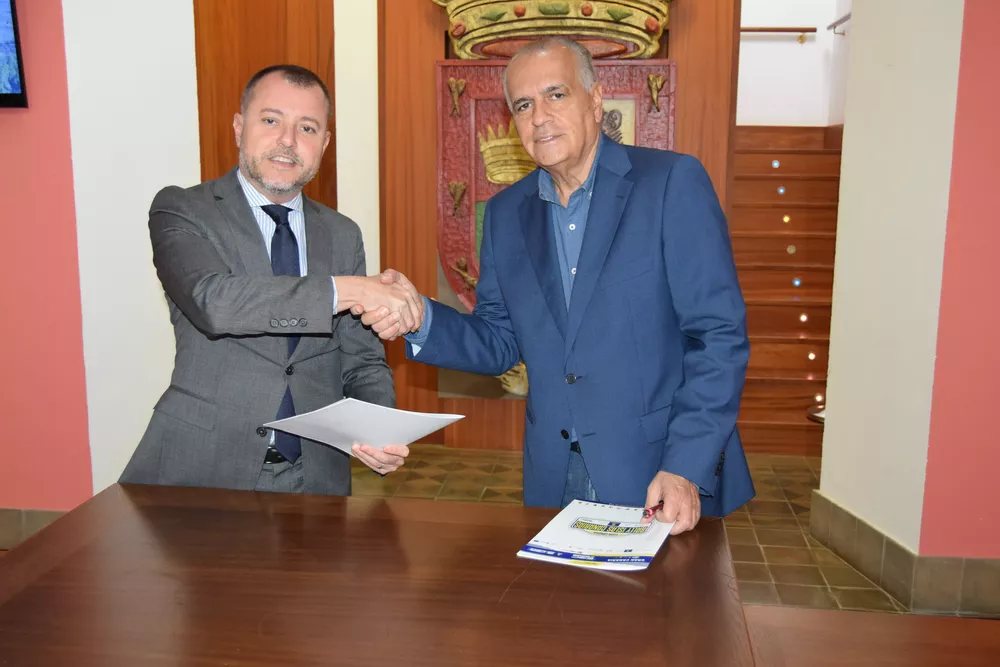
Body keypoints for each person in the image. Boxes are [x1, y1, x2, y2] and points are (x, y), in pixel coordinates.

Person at [362, 38, 754, 534]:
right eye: (523, 105)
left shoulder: (670, 183)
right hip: (553, 474)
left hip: (660, 472)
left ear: (594, 100)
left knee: (665, 612)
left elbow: (717, 337)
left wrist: (685, 466)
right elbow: (500, 340)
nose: (539, 116)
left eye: (556, 95)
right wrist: (421, 316)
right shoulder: (506, 214)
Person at [121, 65, 422, 495]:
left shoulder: (342, 233)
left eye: (308, 127)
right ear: (239, 128)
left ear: (324, 144)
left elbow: (361, 359)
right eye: (271, 120)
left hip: (317, 474)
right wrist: (350, 288)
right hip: (201, 468)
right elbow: (214, 302)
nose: (287, 140)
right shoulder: (183, 209)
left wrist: (379, 426)